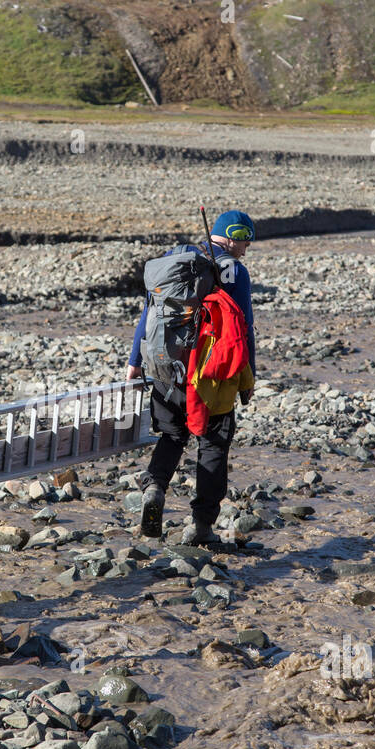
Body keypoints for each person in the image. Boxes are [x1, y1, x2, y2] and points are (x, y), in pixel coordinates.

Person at [127, 209, 257, 545]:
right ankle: (200, 527)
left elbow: (149, 311)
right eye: (245, 240)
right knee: (213, 444)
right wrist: (248, 379)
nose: (246, 248)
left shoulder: (175, 258)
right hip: (213, 376)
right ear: (233, 236)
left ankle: (154, 486)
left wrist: (134, 361)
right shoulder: (234, 270)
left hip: (164, 367)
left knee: (171, 436)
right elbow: (244, 329)